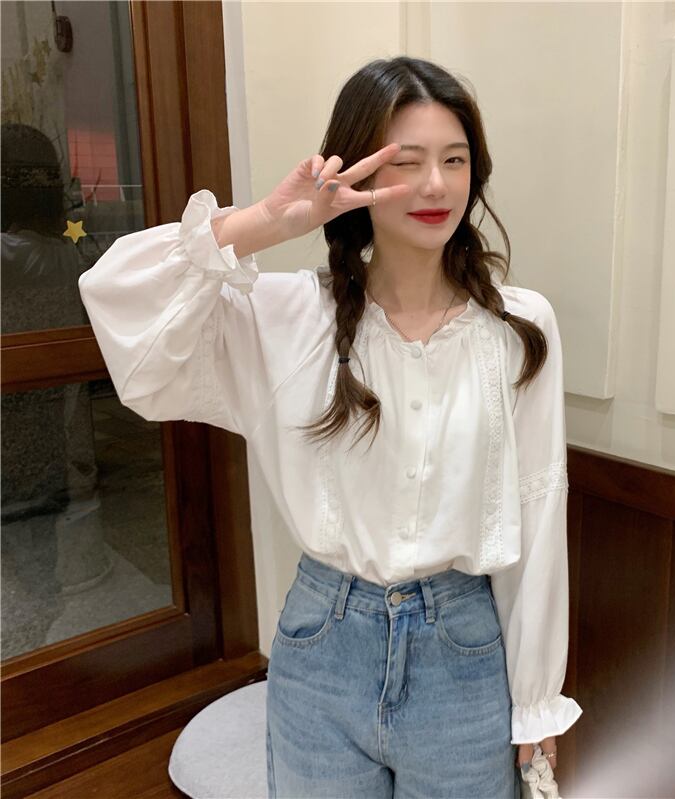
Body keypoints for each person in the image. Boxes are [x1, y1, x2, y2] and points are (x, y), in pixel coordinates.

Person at [78, 55, 583, 798]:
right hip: (322, 644)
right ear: (357, 172)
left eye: (455, 160)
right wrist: (265, 222)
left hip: (464, 652)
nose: (436, 185)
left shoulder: (519, 327)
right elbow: (121, 303)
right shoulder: (287, 317)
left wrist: (535, 699)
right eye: (406, 162)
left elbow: (538, 510)